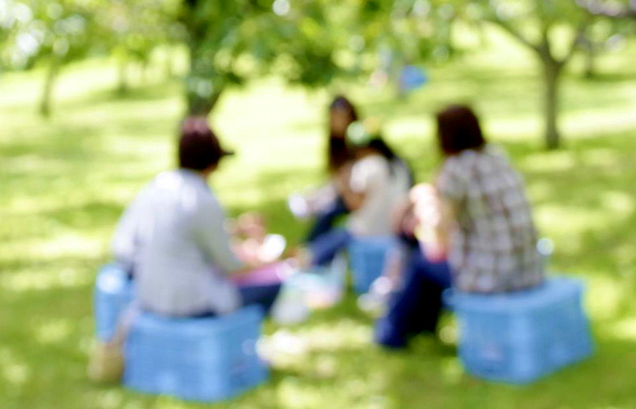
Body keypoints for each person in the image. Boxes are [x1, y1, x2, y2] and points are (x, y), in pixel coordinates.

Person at [375, 104, 543, 350]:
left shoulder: (456, 169)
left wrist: (418, 222)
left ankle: (391, 335)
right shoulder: (496, 155)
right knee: (428, 266)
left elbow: (439, 237)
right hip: (529, 268)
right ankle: (421, 327)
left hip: (495, 277)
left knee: (421, 263)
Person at [111, 117, 284, 317]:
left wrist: (233, 228)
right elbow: (230, 265)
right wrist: (270, 261)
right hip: (191, 302)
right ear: (214, 163)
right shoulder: (202, 200)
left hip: (148, 292)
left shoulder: (159, 185)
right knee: (275, 286)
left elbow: (180, 233)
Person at [306, 129, 412, 267]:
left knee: (321, 247)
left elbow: (355, 204)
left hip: (368, 231)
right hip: (396, 228)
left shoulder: (368, 166)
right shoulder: (400, 165)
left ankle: (304, 260)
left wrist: (344, 184)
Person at [290, 95, 360, 241]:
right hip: (341, 192)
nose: (337, 122)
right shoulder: (336, 145)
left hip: (356, 196)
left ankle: (309, 250)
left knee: (328, 213)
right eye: (333, 117)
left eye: (341, 117)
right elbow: (334, 176)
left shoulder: (358, 140)